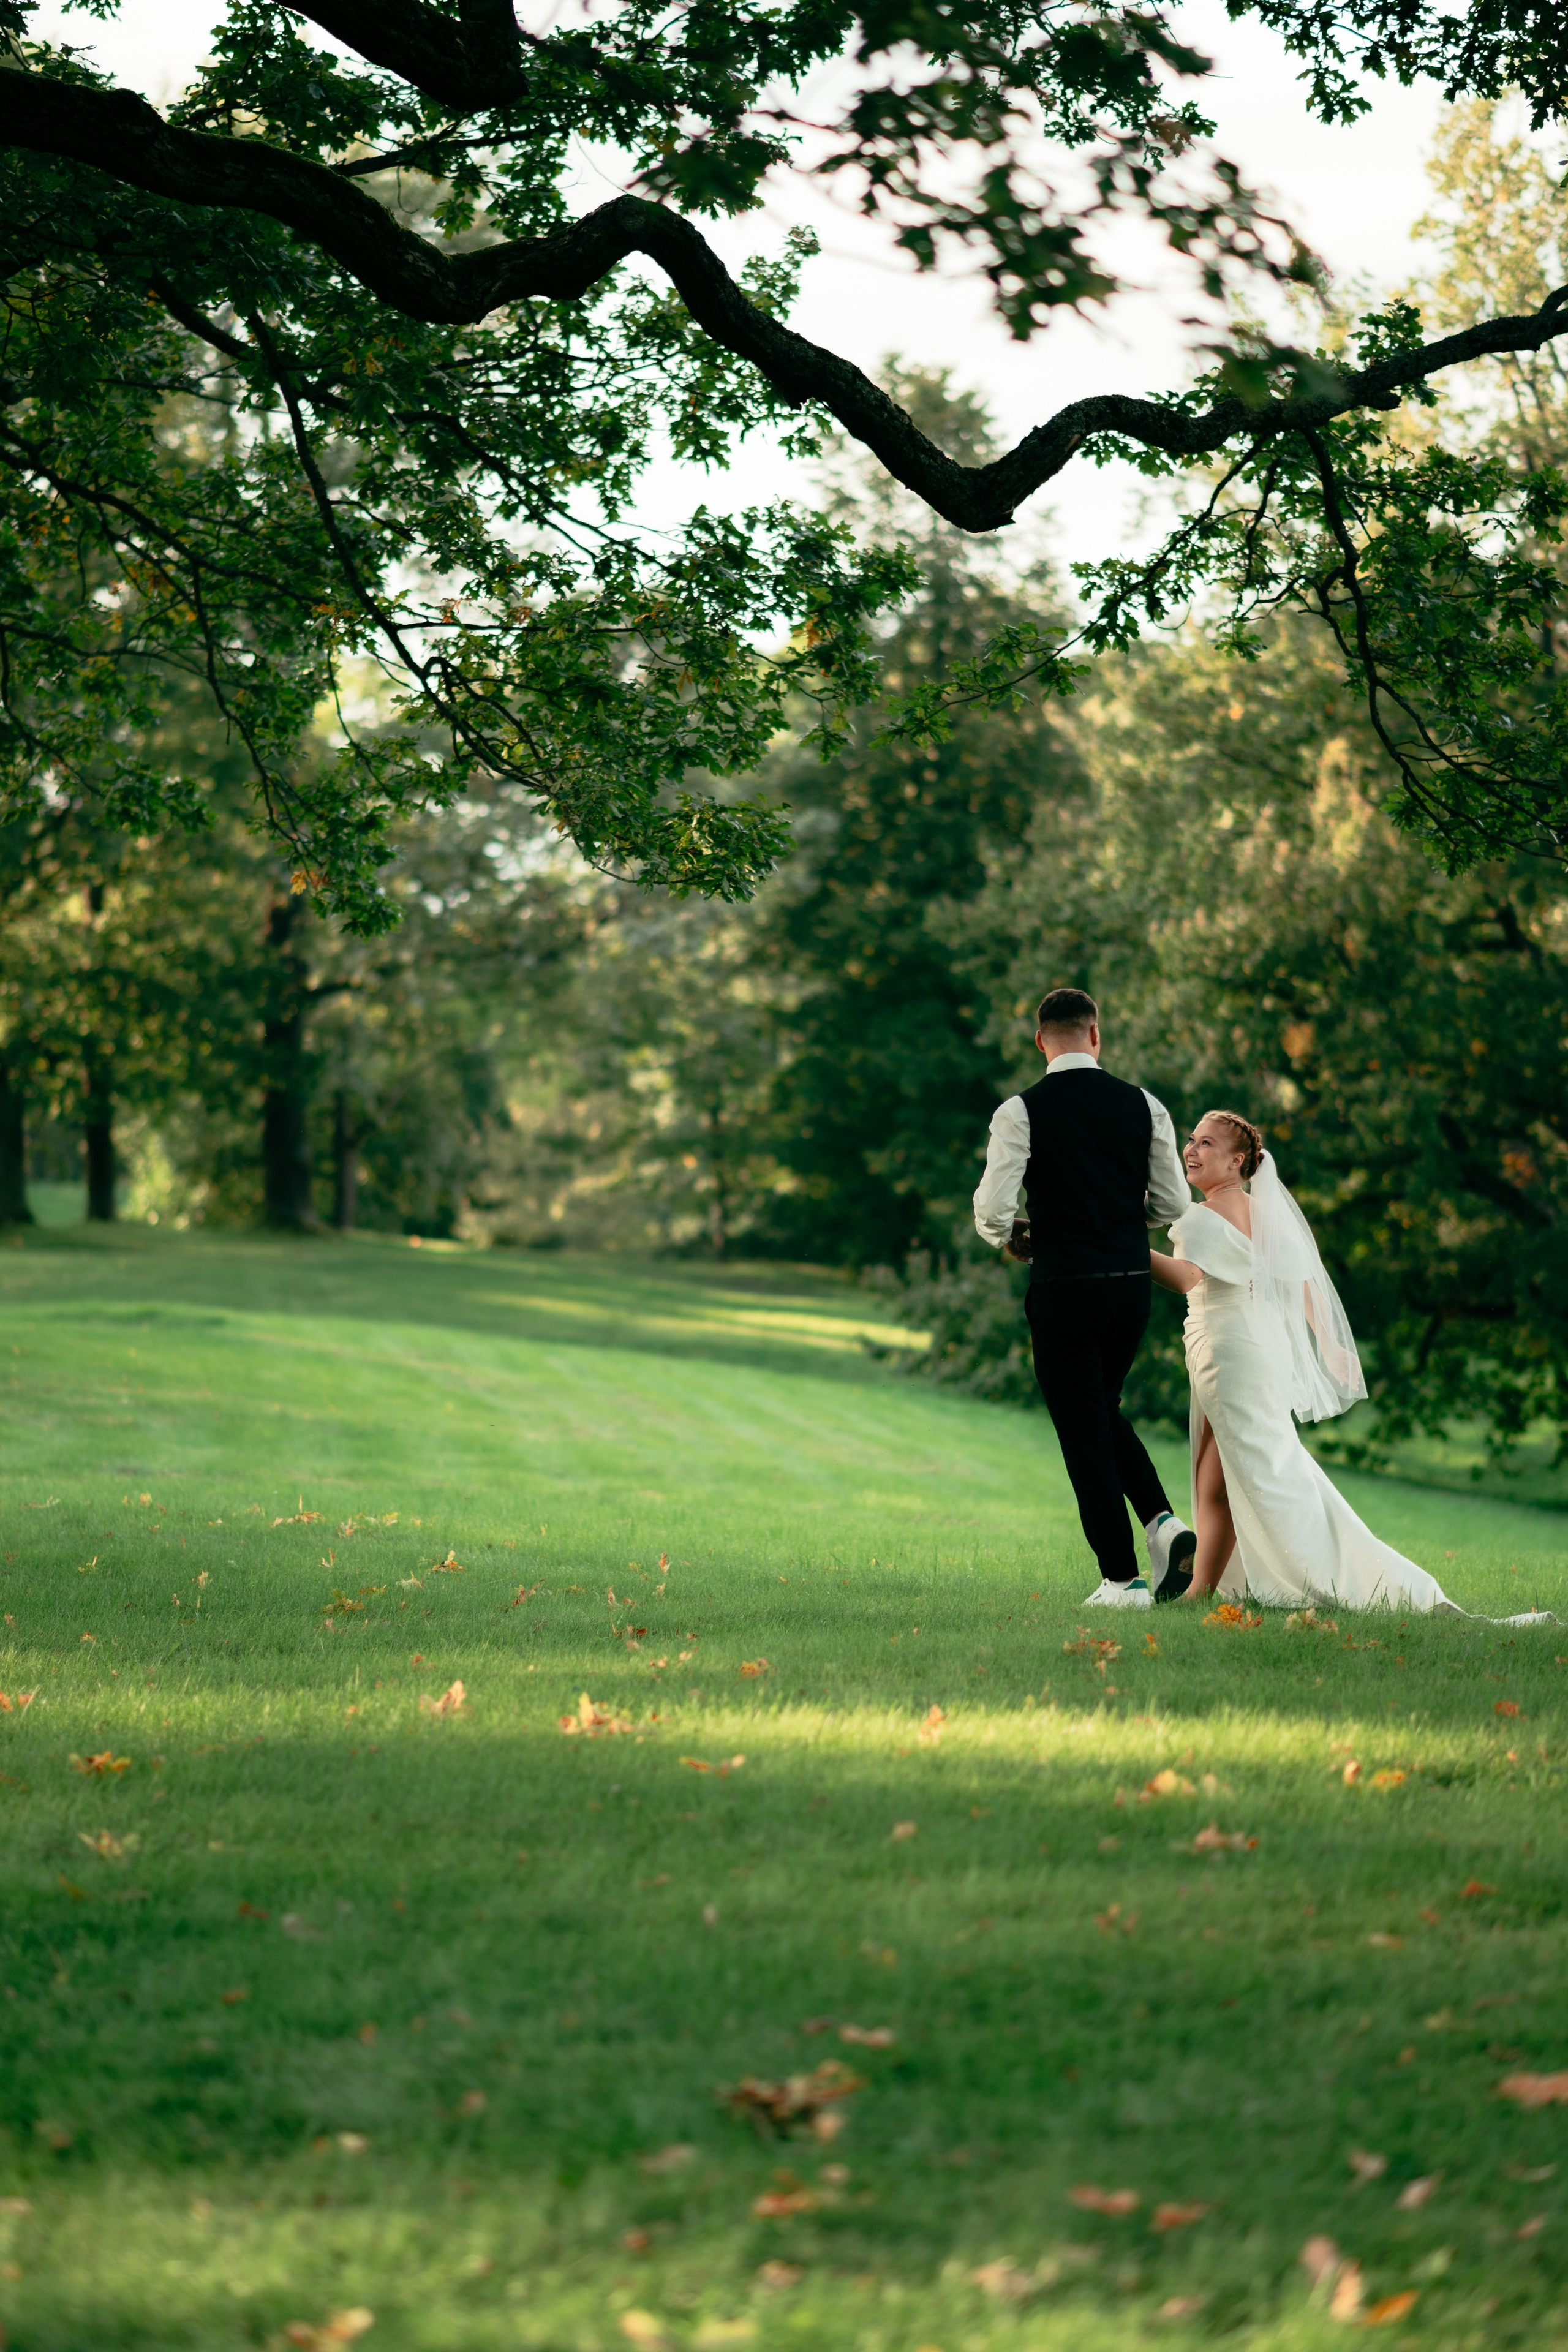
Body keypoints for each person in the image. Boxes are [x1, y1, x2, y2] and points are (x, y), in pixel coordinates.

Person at [1152, 1110, 1477, 1611]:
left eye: (1207, 1144)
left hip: (1227, 1352)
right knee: (1214, 1476)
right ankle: (1200, 1591)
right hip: (1247, 1349)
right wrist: (1328, 1343)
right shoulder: (1261, 1215)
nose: (1191, 1150)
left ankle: (1368, 1581)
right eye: (1191, 1140)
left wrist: (1122, 1246)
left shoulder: (1202, 1216)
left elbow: (1184, 1279)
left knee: (1267, 1475)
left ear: (1238, 1161)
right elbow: (1301, 1275)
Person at [973, 987, 1197, 1608]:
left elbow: (993, 1211)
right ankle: (1161, 1523)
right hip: (1129, 1289)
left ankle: (1122, 1580)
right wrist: (1117, 1227)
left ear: (1040, 1041)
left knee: (1081, 1428)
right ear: (1095, 1035)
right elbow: (1174, 1205)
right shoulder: (1144, 1106)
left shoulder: (1019, 1111)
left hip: (1064, 1287)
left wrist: (1015, 1235)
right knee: (1099, 1406)